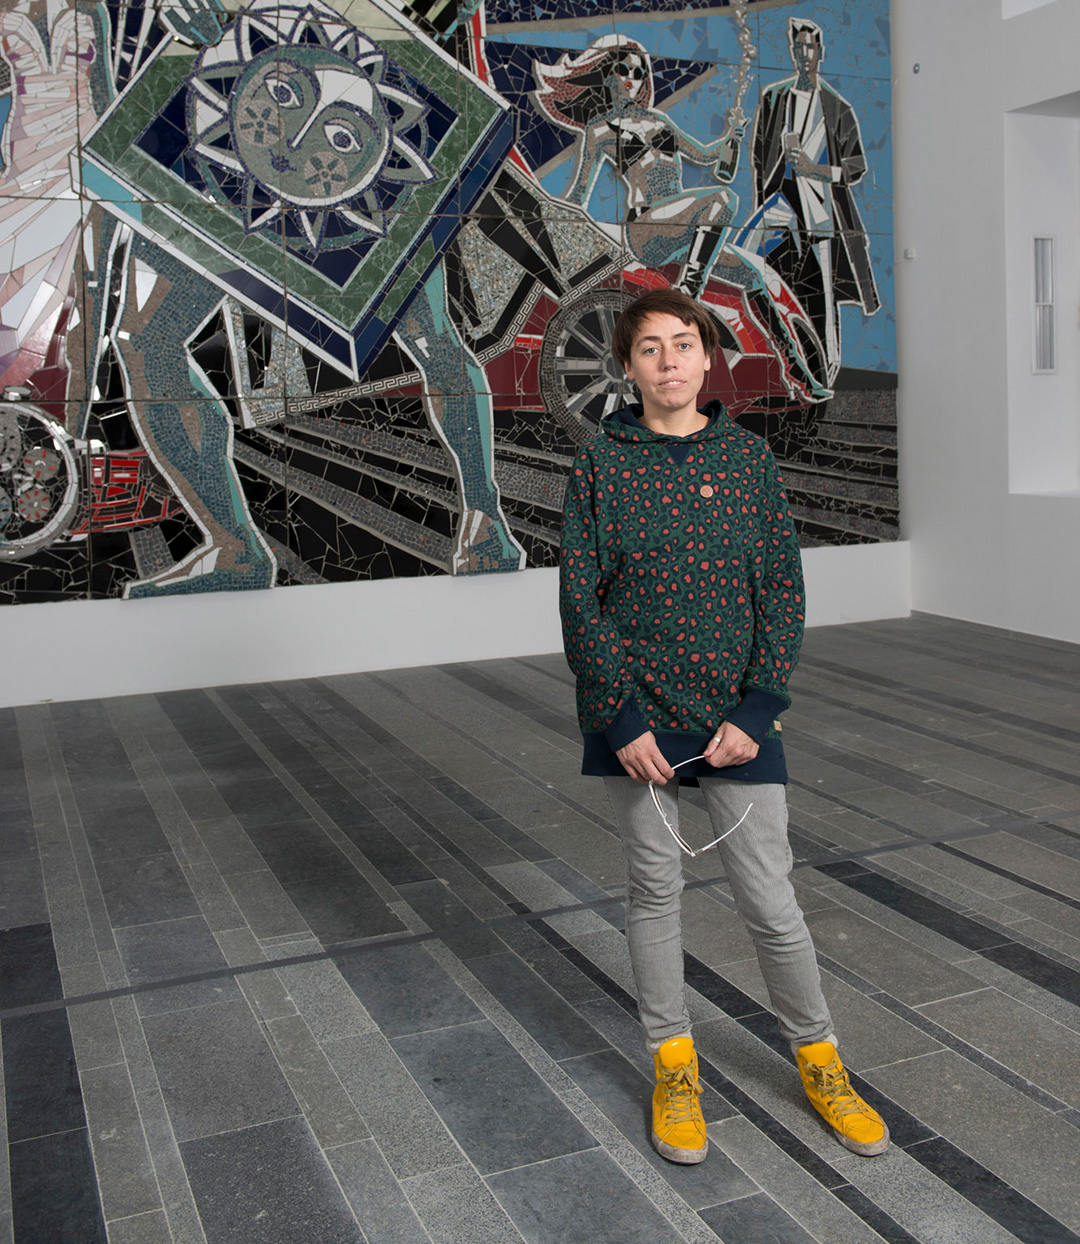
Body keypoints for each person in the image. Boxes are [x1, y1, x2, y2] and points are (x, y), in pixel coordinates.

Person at [558, 287, 889, 1164]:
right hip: (638, 722)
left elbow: (781, 588)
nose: (669, 361)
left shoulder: (748, 461)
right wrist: (619, 720)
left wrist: (759, 707)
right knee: (654, 894)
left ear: (709, 359)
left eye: (684, 344)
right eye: (650, 348)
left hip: (735, 721)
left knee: (771, 901)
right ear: (627, 368)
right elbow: (581, 602)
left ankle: (820, 1061)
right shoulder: (599, 464)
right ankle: (674, 1069)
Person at [750, 18, 880, 385]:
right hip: (781, 211)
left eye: (810, 47)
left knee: (822, 298)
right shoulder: (775, 98)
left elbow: (855, 167)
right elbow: (760, 158)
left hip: (822, 218)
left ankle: (826, 368)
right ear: (792, 52)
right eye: (798, 47)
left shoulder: (837, 108)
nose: (804, 53)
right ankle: (780, 365)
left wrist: (814, 169)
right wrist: (765, 203)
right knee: (772, 287)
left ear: (820, 52)